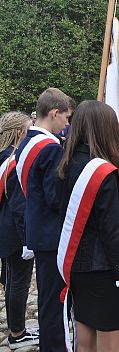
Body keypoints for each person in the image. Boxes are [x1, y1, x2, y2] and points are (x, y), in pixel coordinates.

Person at [57, 100, 119, 352]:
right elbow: (112, 232)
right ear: (106, 131)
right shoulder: (102, 173)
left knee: (85, 344)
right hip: (106, 273)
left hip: (78, 269)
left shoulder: (66, 166)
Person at [15, 87, 71, 351]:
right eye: (66, 117)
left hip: (38, 230)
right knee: (55, 300)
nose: (67, 123)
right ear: (54, 113)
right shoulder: (49, 148)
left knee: (48, 297)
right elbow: (54, 197)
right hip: (52, 234)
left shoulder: (26, 142)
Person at [0, 111, 40, 349]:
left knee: (11, 280)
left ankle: (17, 328)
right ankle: (17, 333)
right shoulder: (12, 161)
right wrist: (28, 239)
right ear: (18, 133)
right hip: (14, 232)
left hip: (5, 230)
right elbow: (18, 205)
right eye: (28, 128)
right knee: (18, 282)